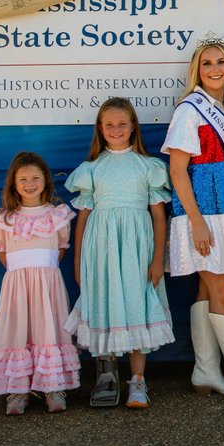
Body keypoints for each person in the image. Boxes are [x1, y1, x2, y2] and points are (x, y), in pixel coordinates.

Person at [161, 33, 224, 406]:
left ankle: (205, 370)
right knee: (223, 291)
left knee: (207, 289)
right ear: (197, 71)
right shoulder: (190, 110)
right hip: (201, 215)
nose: (215, 69)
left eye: (221, 62)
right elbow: (176, 171)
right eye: (207, 63)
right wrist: (196, 221)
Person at [64, 97, 174, 409]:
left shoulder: (148, 167)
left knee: (137, 305)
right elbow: (83, 219)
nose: (116, 129)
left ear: (132, 127)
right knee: (104, 303)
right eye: (109, 124)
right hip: (100, 252)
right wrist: (77, 262)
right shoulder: (92, 169)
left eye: (121, 123)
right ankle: (105, 376)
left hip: (138, 249)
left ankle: (137, 382)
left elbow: (158, 216)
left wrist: (157, 259)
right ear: (100, 128)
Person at [0, 151, 81, 415]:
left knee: (49, 329)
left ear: (46, 180)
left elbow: (60, 249)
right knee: (17, 332)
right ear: (13, 183)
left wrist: (40, 272)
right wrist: (21, 274)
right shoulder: (4, 218)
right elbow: (3, 253)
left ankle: (53, 387)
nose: (30, 184)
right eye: (23, 179)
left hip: (48, 284)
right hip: (16, 286)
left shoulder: (57, 215)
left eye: (35, 177)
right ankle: (18, 389)